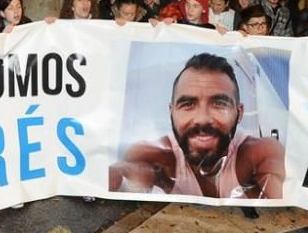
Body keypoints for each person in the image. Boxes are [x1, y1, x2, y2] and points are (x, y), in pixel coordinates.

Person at [108, 53, 285, 199]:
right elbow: (124, 182)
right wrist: (114, 179)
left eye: (219, 104)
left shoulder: (262, 153)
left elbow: (285, 215)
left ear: (239, 113)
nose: (202, 119)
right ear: (171, 111)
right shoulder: (152, 155)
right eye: (188, 104)